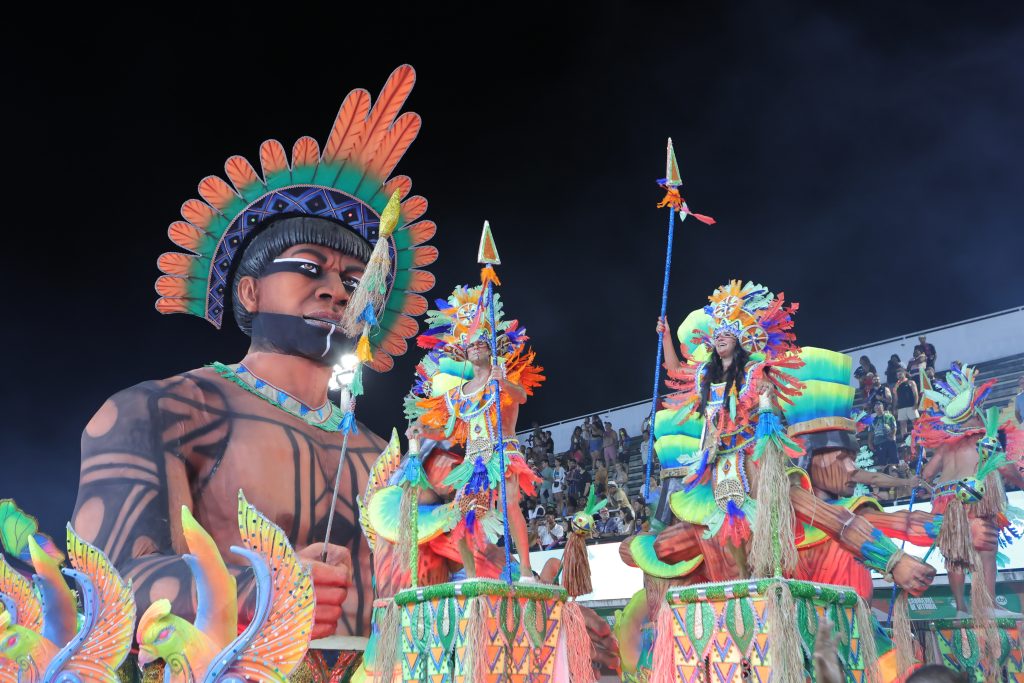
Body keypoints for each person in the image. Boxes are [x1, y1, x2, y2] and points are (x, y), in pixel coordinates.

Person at [71, 68, 434, 643]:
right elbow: (109, 585)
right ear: (249, 292)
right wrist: (262, 592)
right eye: (310, 268)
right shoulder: (159, 412)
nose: (337, 291)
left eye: (355, 280)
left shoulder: (385, 460)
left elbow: (431, 595)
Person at [625, 283, 933, 597]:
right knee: (724, 536)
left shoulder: (756, 372)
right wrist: (665, 337)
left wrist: (766, 403)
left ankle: (893, 561)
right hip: (718, 466)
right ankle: (745, 589)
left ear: (741, 341)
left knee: (804, 508)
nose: (719, 338)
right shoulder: (706, 376)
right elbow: (677, 372)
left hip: (752, 457)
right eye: (716, 334)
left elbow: (769, 411)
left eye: (727, 334)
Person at [413, 283, 544, 580]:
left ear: (490, 349)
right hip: (473, 462)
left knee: (511, 506)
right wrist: (421, 430)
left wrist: (504, 382)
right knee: (457, 520)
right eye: (470, 346)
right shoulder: (460, 392)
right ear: (464, 354)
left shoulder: (501, 379)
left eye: (480, 344)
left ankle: (525, 570)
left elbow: (521, 397)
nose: (475, 349)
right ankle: (472, 578)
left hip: (503, 452)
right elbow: (449, 430)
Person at [869, 402, 899, 467]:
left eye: (879, 408)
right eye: (876, 408)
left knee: (894, 461)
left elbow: (894, 428)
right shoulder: (873, 420)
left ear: (883, 408)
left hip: (890, 441)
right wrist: (870, 443)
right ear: (874, 409)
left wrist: (892, 436)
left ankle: (894, 474)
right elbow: (871, 432)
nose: (878, 409)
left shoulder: (889, 416)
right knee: (882, 463)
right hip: (879, 443)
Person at [893, 369, 920, 440]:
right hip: (901, 407)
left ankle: (920, 437)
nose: (899, 376)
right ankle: (905, 439)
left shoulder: (911, 382)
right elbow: (896, 398)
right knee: (902, 424)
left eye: (900, 374)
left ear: (904, 373)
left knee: (916, 422)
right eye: (898, 375)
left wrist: (916, 403)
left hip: (911, 405)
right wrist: (895, 407)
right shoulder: (897, 385)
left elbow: (916, 394)